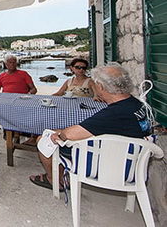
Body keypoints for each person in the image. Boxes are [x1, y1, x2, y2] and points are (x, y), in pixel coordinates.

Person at [29, 62, 153, 191]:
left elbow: (70, 135)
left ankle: (54, 180)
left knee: (45, 140)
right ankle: (61, 175)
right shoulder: (136, 104)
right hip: (132, 161)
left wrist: (58, 134)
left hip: (111, 164)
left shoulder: (114, 113)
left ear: (100, 87)